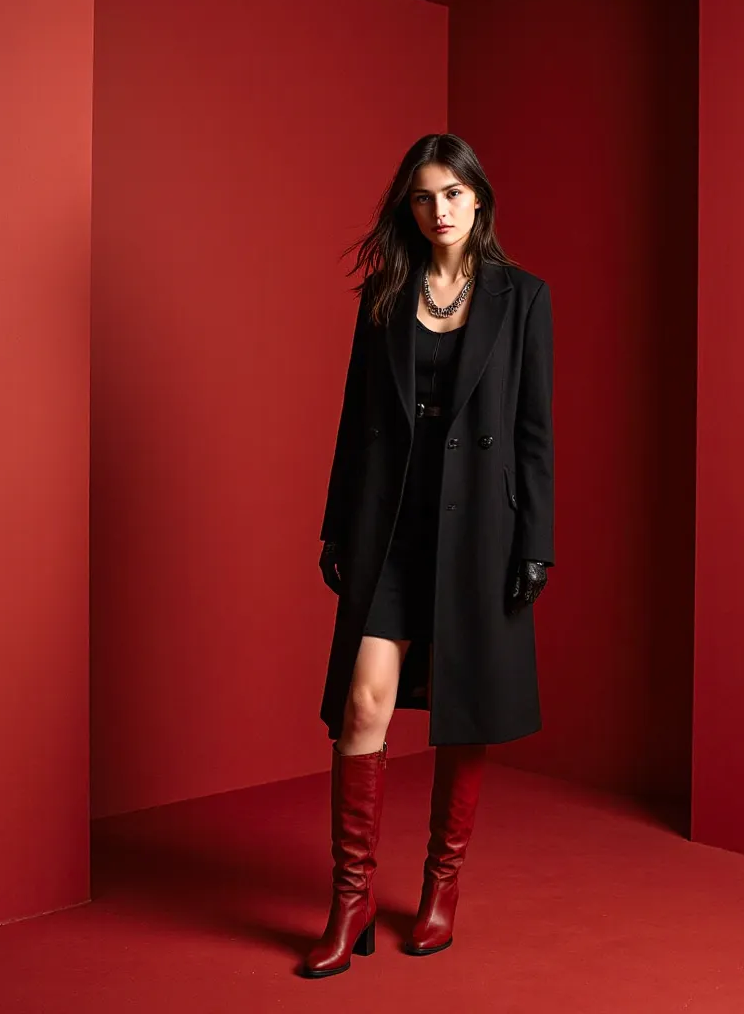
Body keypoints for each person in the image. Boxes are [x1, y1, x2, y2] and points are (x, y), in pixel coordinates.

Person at [302, 133, 554, 979]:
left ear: (479, 198)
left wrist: (536, 542)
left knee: (463, 707)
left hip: (479, 530)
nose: (439, 209)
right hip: (394, 528)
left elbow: (532, 435)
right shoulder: (385, 293)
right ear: (408, 209)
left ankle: (441, 889)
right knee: (363, 704)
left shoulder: (523, 300)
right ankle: (352, 899)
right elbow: (352, 419)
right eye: (423, 197)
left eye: (452, 193)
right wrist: (338, 524)